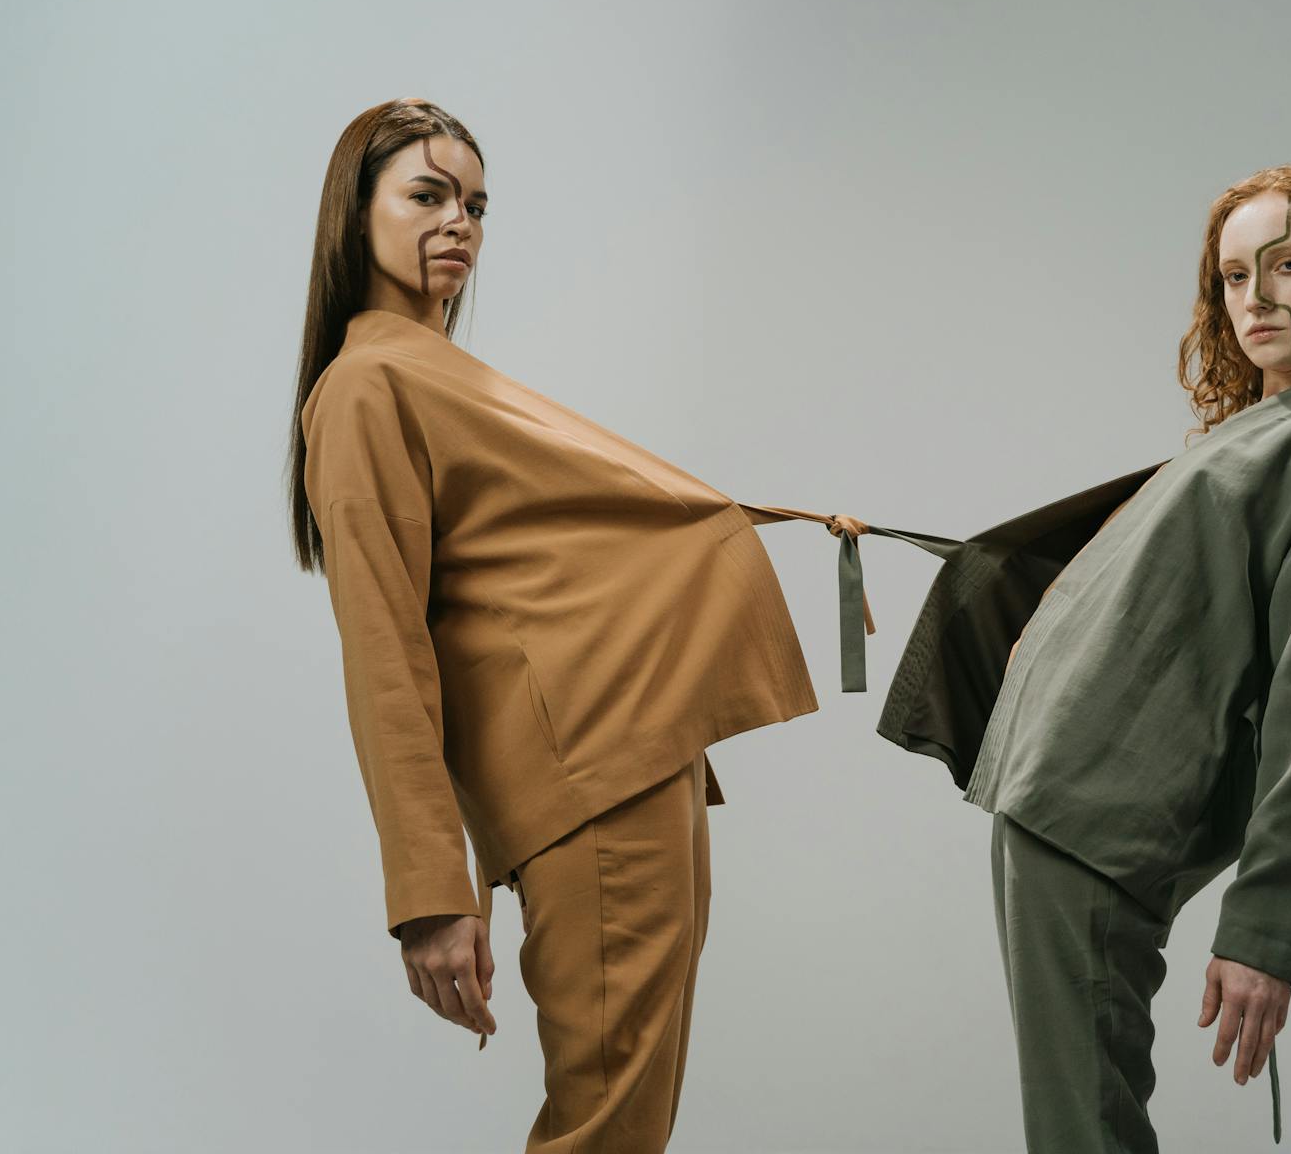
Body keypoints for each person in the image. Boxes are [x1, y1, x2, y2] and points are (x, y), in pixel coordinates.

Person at [284, 97, 876, 1153]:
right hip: (585, 776)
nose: (458, 221)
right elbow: (385, 651)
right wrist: (428, 889)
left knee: (623, 1122)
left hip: (638, 757)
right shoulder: (367, 383)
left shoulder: (430, 370)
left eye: (474, 203)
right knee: (609, 1128)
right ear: (354, 211)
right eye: (426, 194)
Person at [873, 164, 1291, 1148]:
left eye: (1288, 264)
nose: (1255, 299)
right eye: (1232, 276)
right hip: (1053, 801)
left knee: (1081, 1133)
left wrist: (1267, 927)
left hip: (1101, 820)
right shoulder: (1262, 429)